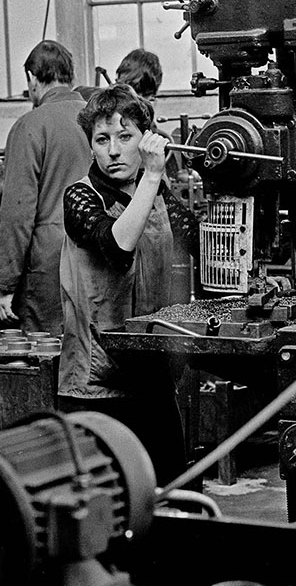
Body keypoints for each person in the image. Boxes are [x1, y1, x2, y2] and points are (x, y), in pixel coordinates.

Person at [57, 83, 200, 486]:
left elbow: (197, 236)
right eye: (102, 139)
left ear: (147, 139)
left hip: (150, 375)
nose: (114, 150)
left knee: (174, 490)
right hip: (97, 384)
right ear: (91, 147)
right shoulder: (80, 199)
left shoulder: (157, 194)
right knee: (111, 503)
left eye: (125, 137)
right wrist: (153, 174)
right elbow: (118, 245)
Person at [0, 39, 91, 336]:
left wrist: (5, 284)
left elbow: (17, 212)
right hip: (100, 252)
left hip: (50, 264)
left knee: (46, 356)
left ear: (32, 79)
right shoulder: (98, 117)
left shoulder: (30, 126)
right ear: (69, 76)